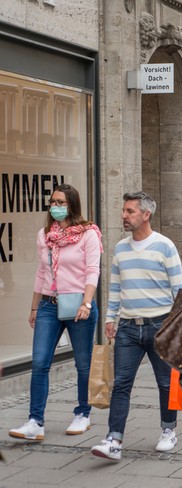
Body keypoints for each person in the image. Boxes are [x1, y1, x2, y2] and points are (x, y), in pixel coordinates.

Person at [91, 191, 182, 460]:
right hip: (129, 328)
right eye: (124, 211)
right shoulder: (120, 248)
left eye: (130, 211)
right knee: (121, 384)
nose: (124, 215)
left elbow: (180, 288)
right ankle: (114, 440)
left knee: (166, 383)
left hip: (161, 325)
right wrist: (111, 318)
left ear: (146, 215)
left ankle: (168, 429)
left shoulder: (165, 246)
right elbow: (116, 286)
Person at [9, 185, 102, 441]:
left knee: (83, 364)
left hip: (77, 306)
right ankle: (35, 421)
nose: (55, 206)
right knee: (39, 362)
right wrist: (34, 307)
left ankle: (83, 414)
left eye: (60, 201)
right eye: (52, 202)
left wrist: (86, 302)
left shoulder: (88, 234)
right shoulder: (45, 235)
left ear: (72, 204)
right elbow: (41, 272)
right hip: (49, 305)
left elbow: (92, 270)